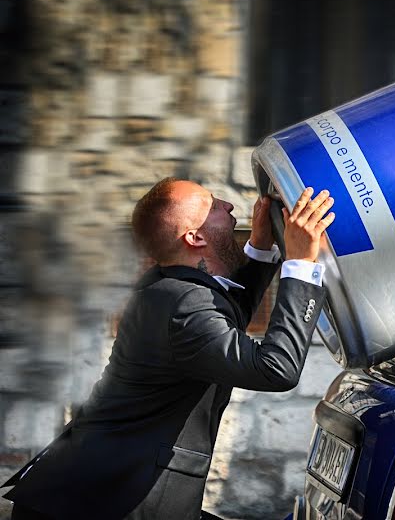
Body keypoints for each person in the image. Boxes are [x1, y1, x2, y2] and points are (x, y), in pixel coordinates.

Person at [2, 178, 335, 519]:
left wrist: (261, 248)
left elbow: (224, 315)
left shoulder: (171, 287)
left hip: (87, 493)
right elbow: (276, 369)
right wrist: (302, 266)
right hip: (99, 503)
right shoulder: (182, 303)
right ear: (195, 237)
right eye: (213, 205)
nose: (229, 206)